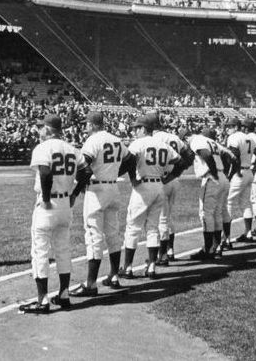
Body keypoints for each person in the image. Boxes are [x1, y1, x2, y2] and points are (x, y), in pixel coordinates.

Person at [20, 114, 83, 314]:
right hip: (65, 203)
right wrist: (74, 193)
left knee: (40, 251)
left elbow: (46, 173)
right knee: (63, 250)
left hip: (49, 204)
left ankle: (42, 300)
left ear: (48, 129)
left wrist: (46, 199)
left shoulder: (42, 147)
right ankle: (64, 295)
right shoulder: (72, 148)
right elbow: (87, 171)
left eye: (41, 128)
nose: (39, 131)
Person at [70, 111, 134, 297]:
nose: (85, 127)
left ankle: (91, 284)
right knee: (113, 234)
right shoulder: (115, 139)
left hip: (97, 190)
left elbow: (84, 167)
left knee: (94, 236)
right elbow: (131, 161)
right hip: (112, 188)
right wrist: (114, 174)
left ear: (93, 125)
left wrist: (76, 190)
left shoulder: (93, 140)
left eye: (87, 124)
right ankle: (114, 276)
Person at [119, 115, 183, 280]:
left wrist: (133, 179)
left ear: (142, 129)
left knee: (133, 227)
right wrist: (170, 177)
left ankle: (127, 267)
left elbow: (129, 162)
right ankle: (152, 266)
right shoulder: (162, 144)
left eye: (136, 128)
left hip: (143, 186)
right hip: (159, 185)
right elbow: (180, 161)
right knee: (153, 227)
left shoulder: (138, 143)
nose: (134, 131)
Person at [151, 113, 193, 265]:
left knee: (161, 218)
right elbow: (188, 158)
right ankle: (170, 250)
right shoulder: (174, 137)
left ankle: (162, 255)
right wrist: (176, 173)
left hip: (161, 179)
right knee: (168, 216)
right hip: (174, 180)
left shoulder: (154, 139)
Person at [188, 128, 233, 260]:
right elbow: (229, 155)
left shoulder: (196, 140)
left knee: (206, 213)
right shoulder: (212, 142)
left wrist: (213, 172)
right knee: (217, 212)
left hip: (211, 177)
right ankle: (216, 247)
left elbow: (206, 155)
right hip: (222, 176)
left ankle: (208, 250)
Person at [224, 117, 255, 245]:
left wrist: (231, 174)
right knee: (246, 203)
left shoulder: (234, 137)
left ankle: (226, 239)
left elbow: (234, 157)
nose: (227, 129)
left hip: (239, 172)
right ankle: (248, 232)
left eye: (229, 126)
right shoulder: (249, 137)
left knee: (228, 203)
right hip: (248, 171)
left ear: (236, 127)